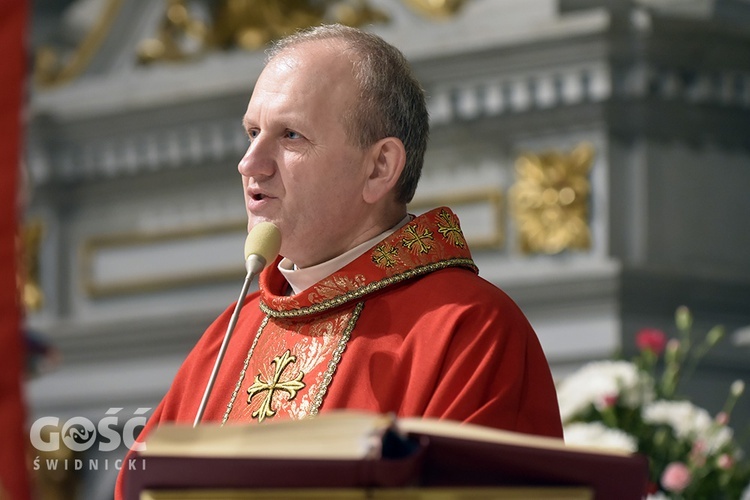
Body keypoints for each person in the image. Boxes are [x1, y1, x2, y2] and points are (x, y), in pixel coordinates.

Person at [116, 23, 562, 498]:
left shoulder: (467, 330)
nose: (250, 163)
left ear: (379, 167)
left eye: (289, 135)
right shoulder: (230, 337)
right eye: (251, 132)